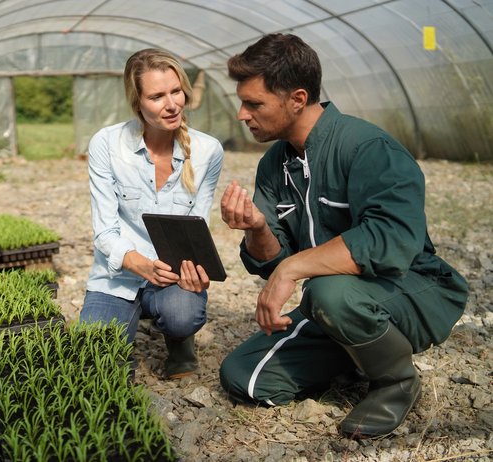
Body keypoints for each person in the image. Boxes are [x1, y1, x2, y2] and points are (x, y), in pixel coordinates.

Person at [217, 33, 468, 438]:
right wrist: (257, 230)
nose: (242, 114)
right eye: (243, 102)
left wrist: (293, 269)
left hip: (413, 291)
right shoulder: (273, 165)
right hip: (333, 304)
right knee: (244, 377)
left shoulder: (368, 147)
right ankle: (356, 352)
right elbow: (271, 263)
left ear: (297, 98)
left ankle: (396, 382)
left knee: (327, 293)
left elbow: (391, 241)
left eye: (254, 103)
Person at [80, 48, 224, 379]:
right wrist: (139, 264)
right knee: (96, 365)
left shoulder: (207, 151)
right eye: (157, 96)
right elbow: (105, 231)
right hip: (118, 274)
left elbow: (195, 228)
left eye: (176, 91)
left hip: (171, 274)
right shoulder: (107, 143)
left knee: (183, 315)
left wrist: (195, 269)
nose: (172, 104)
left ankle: (179, 341)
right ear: (138, 103)